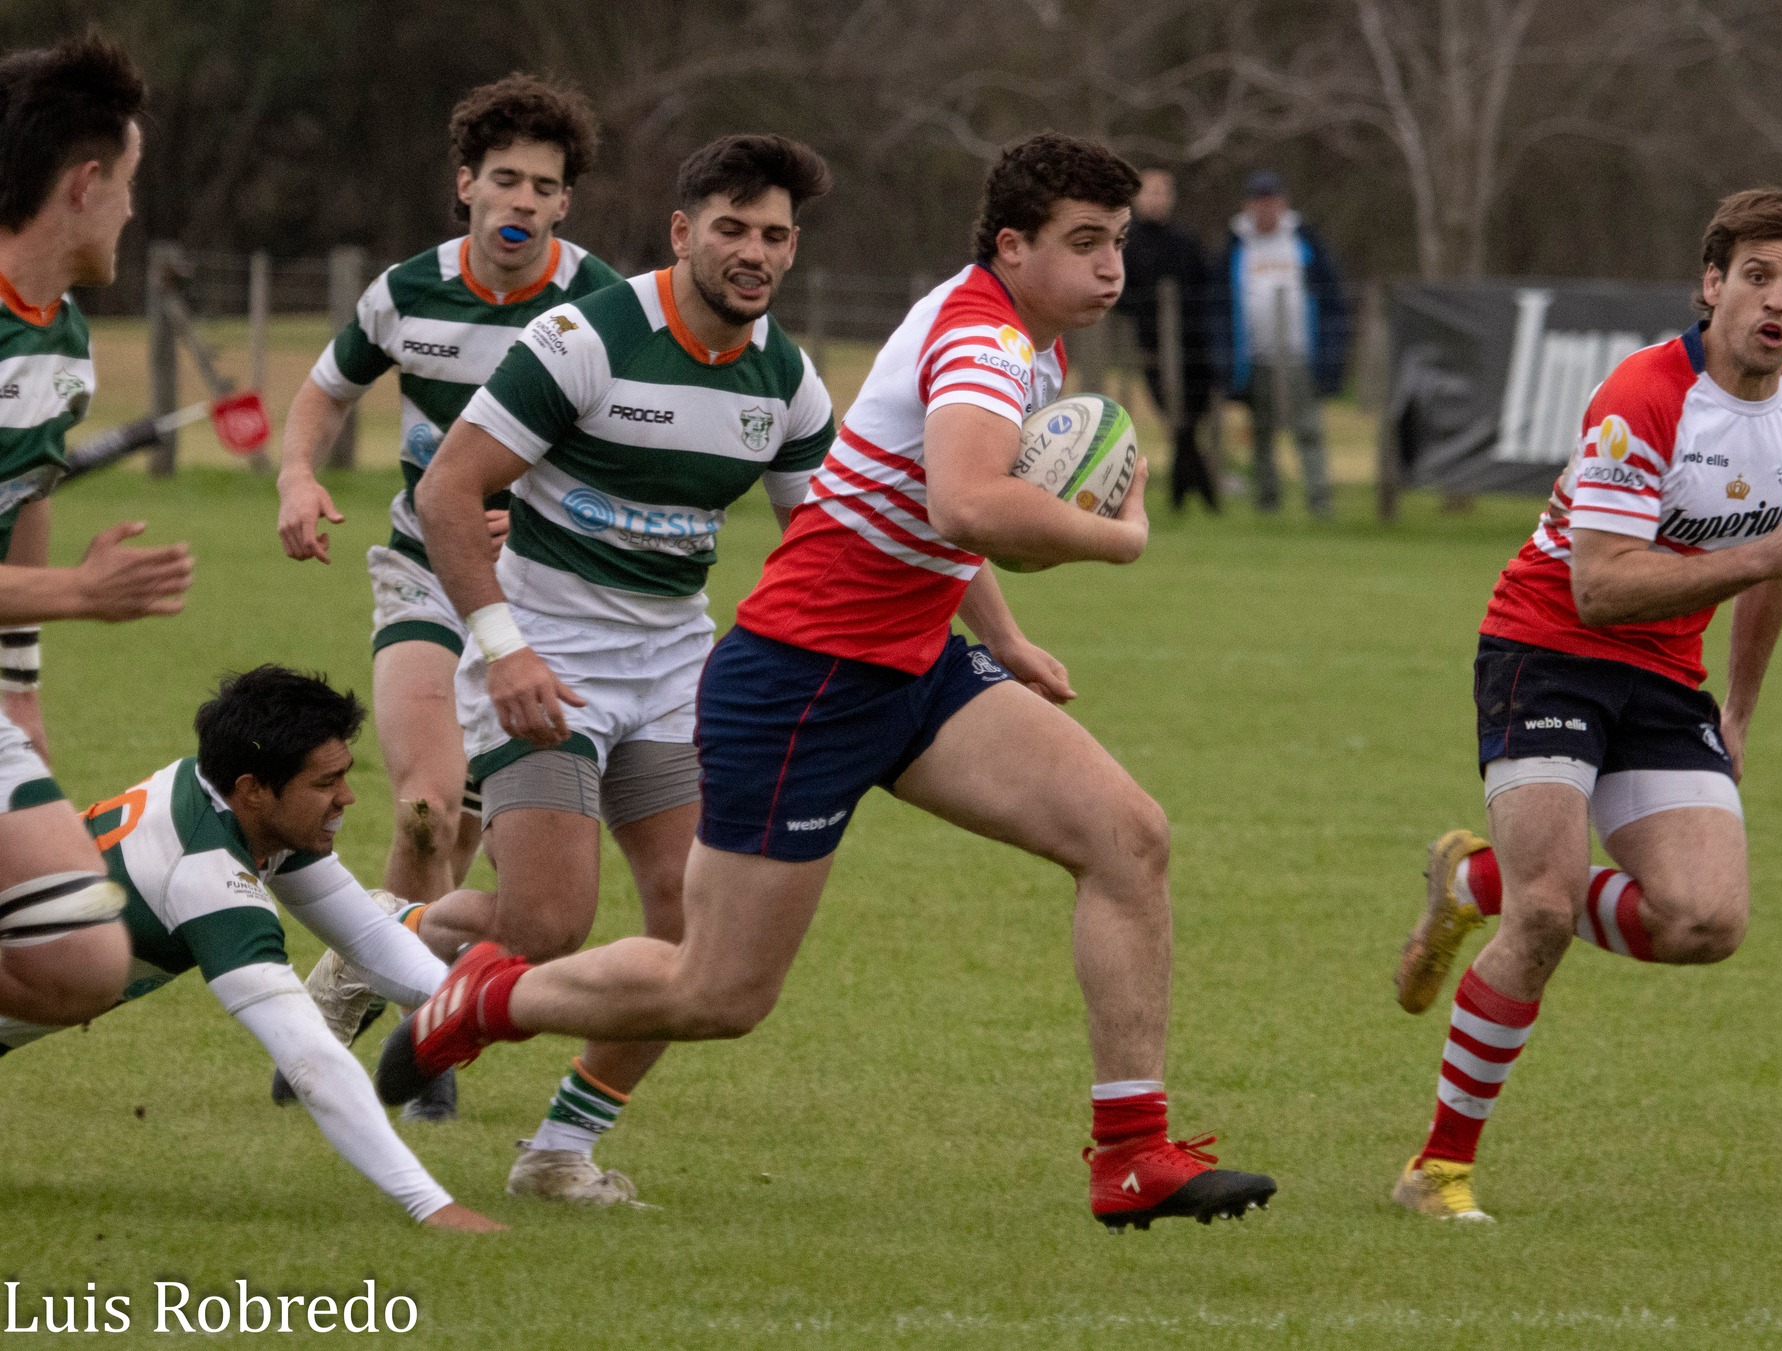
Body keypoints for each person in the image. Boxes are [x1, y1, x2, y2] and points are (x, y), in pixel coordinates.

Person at [378, 132, 1277, 1234]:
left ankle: (1132, 1154)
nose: (1111, 269)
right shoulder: (983, 340)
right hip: (805, 678)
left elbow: (909, 521)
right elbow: (967, 505)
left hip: (916, 662)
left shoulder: (1017, 337)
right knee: (719, 992)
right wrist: (1121, 538)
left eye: (1118, 243)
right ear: (1010, 246)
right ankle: (492, 995)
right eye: (1083, 244)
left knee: (1127, 835)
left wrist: (1004, 638)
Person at [1388, 181, 1782, 1221]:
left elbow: (1770, 571)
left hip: (1662, 675)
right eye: (1754, 277)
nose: (1774, 302)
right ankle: (1435, 1168)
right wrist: (1762, 551)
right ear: (1710, 285)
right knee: (1549, 908)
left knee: (1706, 920)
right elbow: (1597, 585)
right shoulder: (1641, 396)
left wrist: (1737, 710)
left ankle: (1471, 880)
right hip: (1546, 649)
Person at [367, 133, 834, 1205]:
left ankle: (556, 1151)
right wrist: (503, 647)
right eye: (730, 228)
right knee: (545, 924)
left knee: (692, 935)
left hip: (672, 669)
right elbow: (446, 494)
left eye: (772, 235)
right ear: (681, 233)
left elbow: (825, 545)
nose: (751, 253)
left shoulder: (786, 378)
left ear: (793, 248)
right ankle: (379, 940)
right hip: (544, 654)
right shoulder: (583, 335)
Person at [270, 75, 617, 1122]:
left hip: (546, 597)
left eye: (542, 186)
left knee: (499, 855)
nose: (519, 200)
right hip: (424, 571)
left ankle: (371, 987)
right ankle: (422, 1015)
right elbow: (324, 390)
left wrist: (556, 512)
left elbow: (629, 455)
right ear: (464, 185)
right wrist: (296, 474)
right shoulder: (405, 291)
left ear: (564, 206)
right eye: (501, 178)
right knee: (425, 807)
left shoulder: (602, 306)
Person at [0, 668, 498, 1231]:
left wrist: (491, 1004)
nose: (347, 797)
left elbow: (369, 938)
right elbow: (311, 1059)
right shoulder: (206, 872)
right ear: (253, 789)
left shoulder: (226, 799)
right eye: (325, 783)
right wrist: (429, 1203)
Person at [0, 34, 195, 1031]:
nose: (129, 204)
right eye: (126, 181)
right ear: (83, 184)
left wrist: (20, 686)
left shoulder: (61, 338)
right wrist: (81, 594)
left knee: (80, 957)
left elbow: (25, 494)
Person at [1214, 170, 1349, 517]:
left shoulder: (1304, 241)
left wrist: (1332, 354)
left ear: (1283, 203)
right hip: (1254, 357)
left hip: (1300, 354)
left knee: (1308, 429)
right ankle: (1267, 503)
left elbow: (1333, 297)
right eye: (1258, 202)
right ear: (1248, 206)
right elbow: (1219, 304)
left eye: (1272, 201)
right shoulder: (1235, 245)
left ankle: (1319, 503)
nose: (1266, 210)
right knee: (1260, 432)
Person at [1116, 167, 1216, 511]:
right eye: (1151, 192)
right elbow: (1120, 296)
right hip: (1153, 349)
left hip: (1194, 349)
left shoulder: (1186, 243)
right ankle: (1205, 496)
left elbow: (1207, 291)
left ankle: (1184, 497)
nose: (1157, 200)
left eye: (1163, 192)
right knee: (1176, 421)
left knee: (1189, 421)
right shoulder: (1126, 246)